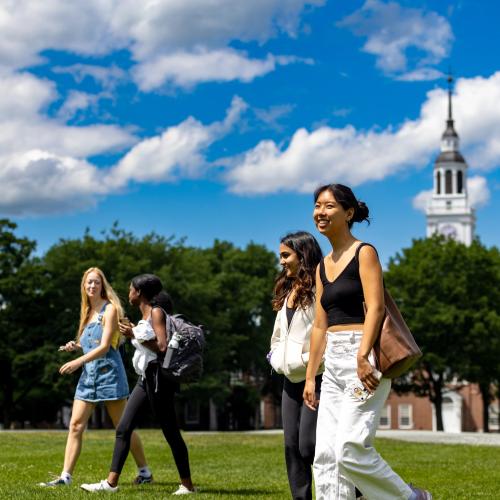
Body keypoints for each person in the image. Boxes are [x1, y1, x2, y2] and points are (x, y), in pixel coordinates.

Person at [303, 184, 432, 500]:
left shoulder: (365, 253)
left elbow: (376, 306)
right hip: (333, 362)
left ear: (348, 213)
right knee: (326, 456)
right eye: (318, 205)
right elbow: (320, 326)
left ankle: (410, 498)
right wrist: (310, 376)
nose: (321, 212)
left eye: (329, 206)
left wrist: (363, 356)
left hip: (364, 355)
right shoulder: (321, 267)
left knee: (350, 448)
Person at [81, 274, 196, 495]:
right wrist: (134, 332)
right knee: (124, 428)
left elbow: (162, 347)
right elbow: (146, 343)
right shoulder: (145, 315)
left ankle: (188, 486)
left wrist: (134, 333)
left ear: (140, 293)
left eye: (131, 289)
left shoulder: (156, 312)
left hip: (158, 380)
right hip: (145, 378)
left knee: (171, 432)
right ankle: (111, 484)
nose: (129, 293)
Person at [39, 267, 151, 487]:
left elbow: (104, 346)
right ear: (84, 286)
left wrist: (77, 362)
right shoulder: (87, 311)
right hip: (89, 377)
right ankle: (65, 477)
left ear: (102, 285)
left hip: (110, 374)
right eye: (88, 282)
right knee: (75, 425)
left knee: (123, 427)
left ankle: (144, 471)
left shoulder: (109, 309)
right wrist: (76, 346)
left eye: (96, 282)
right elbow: (89, 342)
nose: (92, 286)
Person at [269, 231, 323, 500]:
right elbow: (278, 335)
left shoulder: (319, 290)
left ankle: (357, 488)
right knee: (291, 446)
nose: (282, 261)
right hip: (290, 381)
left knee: (309, 444)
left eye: (286, 255)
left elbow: (325, 335)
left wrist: (306, 362)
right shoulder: (288, 291)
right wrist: (276, 358)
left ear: (303, 256)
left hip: (318, 378)